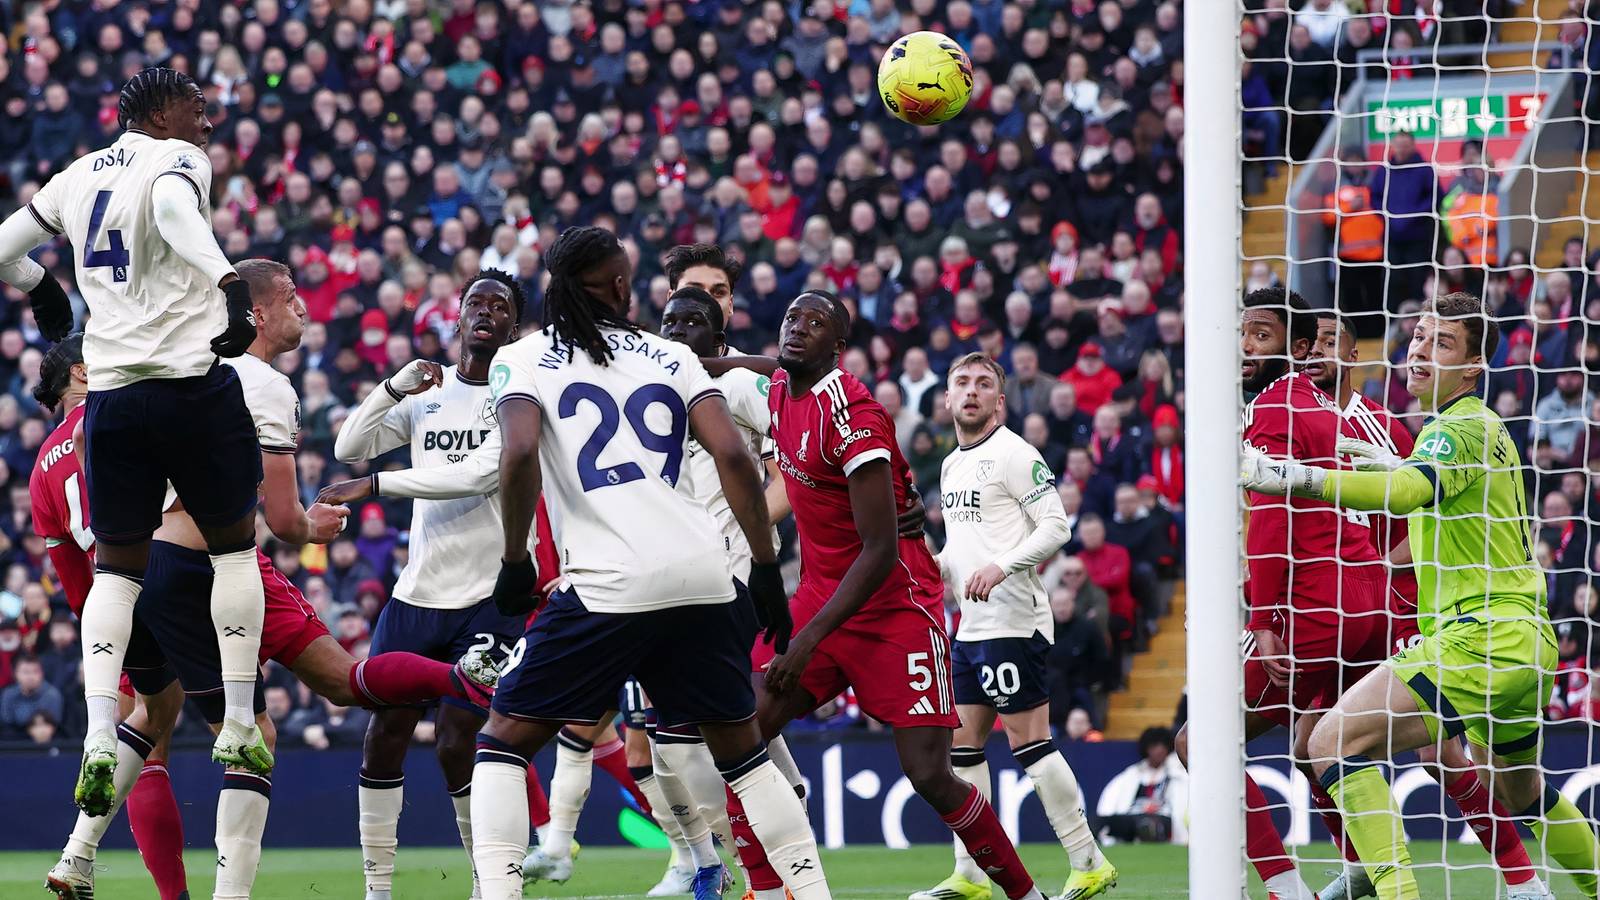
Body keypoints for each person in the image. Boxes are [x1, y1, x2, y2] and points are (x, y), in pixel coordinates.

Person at [469, 226, 828, 900]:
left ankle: (499, 890)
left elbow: (517, 456)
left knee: (503, 740)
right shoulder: (673, 357)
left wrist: (516, 559)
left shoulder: (521, 359)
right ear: (621, 287)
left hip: (610, 585)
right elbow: (733, 459)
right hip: (702, 578)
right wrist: (763, 566)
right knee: (744, 755)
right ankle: (811, 893)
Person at [1243, 291, 1600, 900]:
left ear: (1472, 367)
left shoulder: (1455, 428)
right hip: (1524, 640)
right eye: (1416, 338)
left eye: (1442, 343)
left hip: (1477, 635)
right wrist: (1385, 469)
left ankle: (1396, 891)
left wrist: (1298, 476)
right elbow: (1421, 491)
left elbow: (1410, 492)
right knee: (1521, 791)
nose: (1420, 351)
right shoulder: (1469, 430)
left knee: (1327, 742)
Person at [0, 67, 271, 813]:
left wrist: (41, 289)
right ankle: (241, 722)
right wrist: (229, 284)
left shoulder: (74, 176)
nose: (208, 121)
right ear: (160, 113)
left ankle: (96, 734)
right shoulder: (177, 160)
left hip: (113, 401)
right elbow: (178, 213)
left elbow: (0, 248)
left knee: (116, 575)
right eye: (197, 107)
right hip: (188, 386)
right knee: (233, 550)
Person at [732, 289, 1049, 900]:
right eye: (793, 316)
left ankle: (1025, 895)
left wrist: (804, 644)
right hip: (824, 595)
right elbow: (753, 365)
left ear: (839, 348)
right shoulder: (779, 389)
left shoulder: (853, 414)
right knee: (738, 729)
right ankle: (772, 890)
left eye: (817, 322)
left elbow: (879, 554)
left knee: (930, 773)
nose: (799, 327)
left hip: (895, 605)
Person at [1305, 311, 1544, 900]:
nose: (1317, 353)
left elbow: (1419, 498)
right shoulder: (1286, 411)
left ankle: (1513, 878)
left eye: (1332, 343)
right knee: (1313, 739)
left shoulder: (1395, 423)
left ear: (1355, 355)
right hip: (1337, 604)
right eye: (1310, 343)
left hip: (1412, 608)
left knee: (1411, 745)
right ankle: (1365, 865)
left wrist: (1380, 567)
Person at [1177, 287, 1390, 900]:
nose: (1245, 345)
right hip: (1366, 598)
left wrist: (1265, 616)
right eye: (1242, 332)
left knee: (1200, 740)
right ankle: (1365, 870)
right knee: (1310, 742)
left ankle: (1284, 890)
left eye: (1261, 335)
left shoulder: (1271, 408)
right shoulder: (1323, 406)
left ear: (1298, 347)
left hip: (1316, 606)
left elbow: (1273, 522)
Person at [331, 269, 528, 900]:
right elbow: (348, 445)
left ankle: (485, 880)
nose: (486, 312)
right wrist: (394, 386)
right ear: (459, 315)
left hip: (489, 598)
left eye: (501, 306)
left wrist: (378, 485)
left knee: (456, 741)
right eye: (477, 302)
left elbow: (475, 477)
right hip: (419, 593)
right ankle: (378, 888)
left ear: (513, 327)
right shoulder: (427, 399)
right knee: (385, 732)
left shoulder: (519, 398)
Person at [910, 352, 1116, 900]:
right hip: (970, 626)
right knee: (962, 749)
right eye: (962, 383)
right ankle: (970, 874)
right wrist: (934, 568)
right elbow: (961, 550)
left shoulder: (1014, 454)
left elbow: (1057, 526)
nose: (972, 392)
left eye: (984, 385)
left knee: (1029, 744)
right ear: (947, 399)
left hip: (1012, 619)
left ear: (999, 402)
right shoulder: (953, 464)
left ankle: (1088, 859)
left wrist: (1002, 567)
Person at [30, 335, 190, 900]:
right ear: (81, 370)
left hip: (111, 596)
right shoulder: (125, 409)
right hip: (171, 562)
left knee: (152, 722)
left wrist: (104, 636)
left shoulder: (39, 472)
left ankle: (79, 855)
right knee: (241, 722)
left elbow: (71, 575)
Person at [1094, 727, 1187, 845]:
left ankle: (1149, 832)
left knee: (1150, 824)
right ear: (1147, 749)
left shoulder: (1176, 773)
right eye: (1155, 746)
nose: (1159, 750)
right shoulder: (1132, 774)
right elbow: (1111, 801)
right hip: (1134, 817)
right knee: (1102, 821)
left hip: (1162, 817)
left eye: (1163, 746)